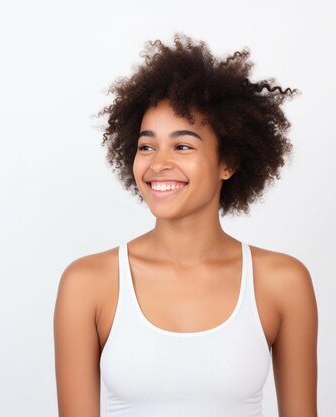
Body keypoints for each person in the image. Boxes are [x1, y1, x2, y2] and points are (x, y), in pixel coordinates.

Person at [53, 33, 318, 417]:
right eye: (147, 146)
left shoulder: (282, 282)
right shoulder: (87, 284)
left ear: (228, 163)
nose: (158, 163)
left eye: (182, 146)